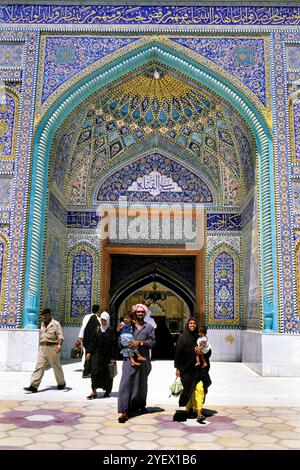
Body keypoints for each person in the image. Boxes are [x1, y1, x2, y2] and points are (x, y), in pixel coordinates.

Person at [117, 303, 156, 423]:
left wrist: (140, 343)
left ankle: (139, 406)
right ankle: (124, 410)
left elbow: (153, 342)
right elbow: (120, 339)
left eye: (142, 312)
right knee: (126, 382)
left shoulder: (148, 327)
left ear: (145, 313)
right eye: (138, 312)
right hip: (129, 358)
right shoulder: (129, 326)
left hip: (143, 358)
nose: (140, 314)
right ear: (135, 313)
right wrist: (122, 339)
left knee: (141, 383)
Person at [174, 317, 212, 423]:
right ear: (187, 325)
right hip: (186, 369)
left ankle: (199, 412)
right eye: (190, 323)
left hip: (198, 369)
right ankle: (189, 409)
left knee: (199, 389)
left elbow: (208, 351)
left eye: (194, 323)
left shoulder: (199, 337)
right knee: (188, 390)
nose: (192, 325)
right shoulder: (182, 337)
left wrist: (202, 353)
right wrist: (177, 368)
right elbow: (178, 353)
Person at [23, 308, 66, 393]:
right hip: (43, 348)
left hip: (53, 348)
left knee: (56, 366)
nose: (44, 318)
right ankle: (33, 386)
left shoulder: (56, 324)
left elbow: (60, 336)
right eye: (43, 317)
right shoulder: (42, 324)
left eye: (46, 316)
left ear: (49, 315)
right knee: (39, 366)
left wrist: (59, 346)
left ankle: (61, 383)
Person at [83, 311, 117, 399]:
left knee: (107, 373)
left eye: (104, 320)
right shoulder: (97, 329)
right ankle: (94, 391)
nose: (103, 321)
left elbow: (114, 344)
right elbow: (92, 341)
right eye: (102, 319)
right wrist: (89, 352)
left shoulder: (111, 330)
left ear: (107, 320)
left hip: (107, 355)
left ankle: (107, 391)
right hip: (96, 354)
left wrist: (113, 357)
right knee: (94, 371)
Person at [78, 304, 100, 376]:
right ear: (98, 310)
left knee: (85, 353)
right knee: (90, 354)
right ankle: (88, 369)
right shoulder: (98, 319)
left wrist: (81, 336)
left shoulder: (86, 317)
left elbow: (83, 327)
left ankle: (84, 368)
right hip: (92, 340)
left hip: (85, 338)